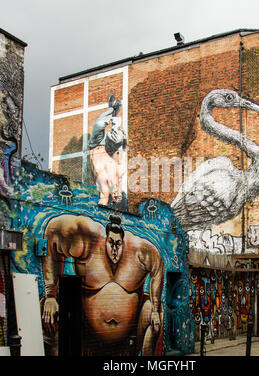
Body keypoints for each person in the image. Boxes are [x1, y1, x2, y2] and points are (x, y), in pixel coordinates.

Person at [41, 214, 164, 356]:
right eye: (111, 243)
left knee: (154, 312)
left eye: (118, 244)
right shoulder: (86, 237)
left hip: (129, 339)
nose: (114, 250)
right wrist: (50, 295)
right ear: (105, 239)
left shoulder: (141, 250)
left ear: (123, 242)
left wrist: (155, 311)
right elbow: (52, 232)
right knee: (48, 309)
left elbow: (158, 268)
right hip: (86, 334)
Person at [89, 94, 127, 206]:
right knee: (119, 137)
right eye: (119, 196)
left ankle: (110, 108)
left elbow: (103, 199)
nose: (117, 195)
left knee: (100, 124)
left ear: (112, 196)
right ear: (120, 192)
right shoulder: (119, 171)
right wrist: (124, 138)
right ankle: (115, 115)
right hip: (106, 144)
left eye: (115, 197)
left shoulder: (104, 184)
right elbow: (124, 153)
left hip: (95, 144)